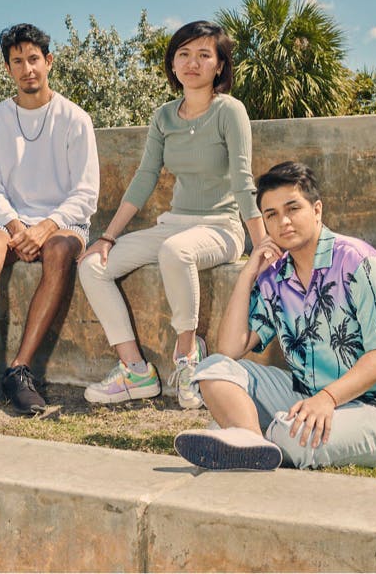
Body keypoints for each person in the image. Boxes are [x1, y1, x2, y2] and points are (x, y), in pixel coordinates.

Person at [174, 162, 376, 470]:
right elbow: (229, 349)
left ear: (317, 209)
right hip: (306, 396)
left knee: (290, 435)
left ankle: (239, 433)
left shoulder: (361, 263)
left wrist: (328, 399)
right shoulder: (275, 277)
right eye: (271, 215)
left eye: (292, 208)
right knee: (212, 368)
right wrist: (247, 274)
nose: (283, 222)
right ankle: (252, 443)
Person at [78, 20, 266, 408]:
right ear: (173, 64)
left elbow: (244, 179)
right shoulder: (163, 117)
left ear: (219, 65)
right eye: (183, 54)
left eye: (203, 55)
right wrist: (107, 238)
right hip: (176, 224)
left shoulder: (230, 111)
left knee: (176, 252)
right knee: (92, 266)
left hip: (221, 228)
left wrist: (262, 243)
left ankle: (187, 356)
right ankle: (135, 371)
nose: (192, 63)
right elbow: (145, 178)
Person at [0, 23, 100, 416]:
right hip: (8, 223)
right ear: (8, 69)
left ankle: (20, 370)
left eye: (34, 59)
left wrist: (45, 227)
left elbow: (86, 193)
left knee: (58, 251)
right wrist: (17, 227)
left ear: (49, 61)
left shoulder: (75, 118)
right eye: (17, 61)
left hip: (63, 223)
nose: (27, 69)